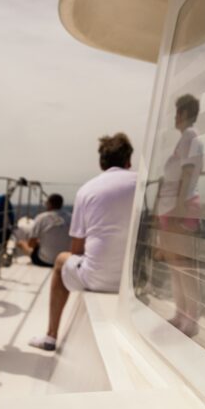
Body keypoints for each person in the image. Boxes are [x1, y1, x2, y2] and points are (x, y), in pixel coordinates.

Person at [29, 133, 137, 351]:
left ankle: (51, 336)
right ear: (129, 161)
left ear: (101, 162)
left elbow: (76, 250)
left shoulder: (86, 190)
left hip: (97, 279)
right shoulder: (143, 185)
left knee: (61, 260)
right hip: (135, 280)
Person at [156, 94, 204, 336]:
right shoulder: (185, 139)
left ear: (184, 114)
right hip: (172, 208)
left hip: (180, 208)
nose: (175, 117)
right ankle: (181, 313)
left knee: (184, 267)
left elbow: (186, 176)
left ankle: (191, 319)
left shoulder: (190, 137)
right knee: (176, 266)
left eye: (177, 112)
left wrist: (178, 210)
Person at [16, 193, 71, 267]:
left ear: (49, 204)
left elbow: (31, 244)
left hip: (44, 261)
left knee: (21, 243)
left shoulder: (41, 218)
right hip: (64, 261)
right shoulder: (71, 217)